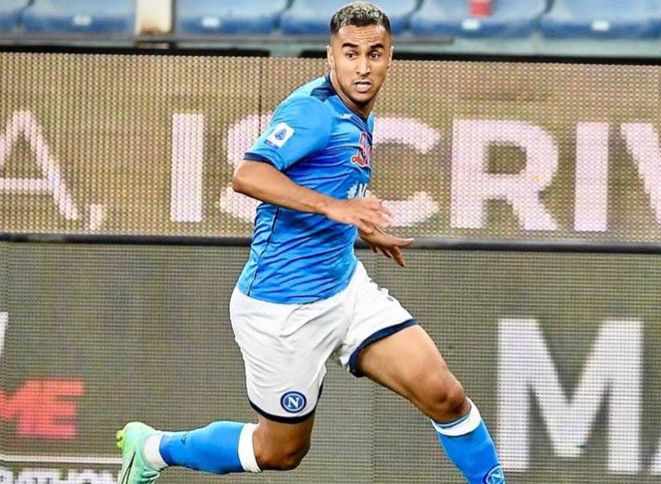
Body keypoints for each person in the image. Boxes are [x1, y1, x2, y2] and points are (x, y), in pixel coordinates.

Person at [116, 2, 505, 483]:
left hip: (345, 289)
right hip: (282, 309)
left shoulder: (359, 113)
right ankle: (152, 449)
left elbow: (329, 181)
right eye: (350, 53)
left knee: (445, 396)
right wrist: (334, 208)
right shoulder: (312, 112)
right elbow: (248, 175)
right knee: (279, 451)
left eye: (374, 53)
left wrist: (360, 226)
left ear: (390, 58)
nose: (362, 67)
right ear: (330, 56)